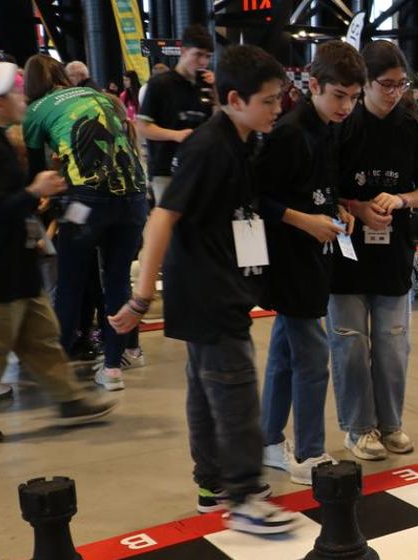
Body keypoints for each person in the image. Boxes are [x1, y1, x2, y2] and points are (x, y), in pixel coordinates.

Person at [109, 45, 295, 532]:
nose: (277, 109)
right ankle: (244, 498)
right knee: (234, 391)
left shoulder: (237, 140)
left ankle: (213, 484)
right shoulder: (210, 146)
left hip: (213, 283)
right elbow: (162, 219)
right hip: (208, 290)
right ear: (235, 98)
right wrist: (141, 297)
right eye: (270, 101)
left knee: (206, 389)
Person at [0, 59, 116, 443]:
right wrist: (33, 192)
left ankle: (69, 399)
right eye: (13, 92)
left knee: (42, 338)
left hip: (15, 265)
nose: (22, 97)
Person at [254, 41, 365, 485]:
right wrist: (306, 221)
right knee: (313, 357)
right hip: (287, 259)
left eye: (354, 98)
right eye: (339, 96)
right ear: (313, 85)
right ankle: (309, 452)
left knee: (284, 353)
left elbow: (318, 185)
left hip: (313, 254)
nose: (347, 106)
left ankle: (267, 439)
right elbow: (258, 197)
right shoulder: (288, 132)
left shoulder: (325, 128)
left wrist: (336, 208)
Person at [331, 40, 418, 461]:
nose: (395, 92)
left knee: (394, 343)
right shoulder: (343, 126)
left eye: (402, 85)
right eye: (386, 84)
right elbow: (323, 190)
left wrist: (400, 200)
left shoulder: (412, 127)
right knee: (351, 345)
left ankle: (390, 422)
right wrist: (356, 206)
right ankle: (358, 427)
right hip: (345, 254)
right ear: (365, 83)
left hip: (394, 251)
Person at [21, 55, 148, 392]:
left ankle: (58, 371)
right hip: (135, 195)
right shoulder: (93, 95)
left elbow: (37, 172)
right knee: (117, 280)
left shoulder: (36, 111)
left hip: (87, 202)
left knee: (70, 282)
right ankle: (113, 370)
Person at [136, 24, 215, 204]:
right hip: (166, 170)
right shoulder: (159, 84)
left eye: (208, 57)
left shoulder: (205, 86)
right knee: (171, 227)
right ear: (184, 51)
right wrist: (176, 135)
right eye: (198, 55)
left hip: (198, 168)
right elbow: (143, 127)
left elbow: (215, 123)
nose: (203, 62)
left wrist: (217, 93)